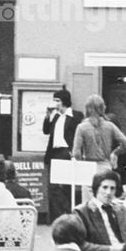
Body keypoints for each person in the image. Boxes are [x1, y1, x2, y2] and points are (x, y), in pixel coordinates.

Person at [42, 87, 82, 222]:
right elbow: (46, 131)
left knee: (66, 186)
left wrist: (75, 151)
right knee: (52, 186)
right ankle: (64, 213)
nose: (55, 103)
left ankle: (68, 214)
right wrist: (48, 115)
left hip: (66, 152)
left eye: (57, 100)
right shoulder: (56, 116)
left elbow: (78, 134)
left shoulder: (76, 116)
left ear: (64, 101)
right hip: (54, 152)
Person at [72, 95, 126, 174]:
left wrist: (81, 162)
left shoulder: (81, 127)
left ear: (87, 109)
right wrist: (115, 152)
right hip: (105, 165)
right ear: (103, 108)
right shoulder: (110, 126)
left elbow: (76, 153)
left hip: (88, 166)